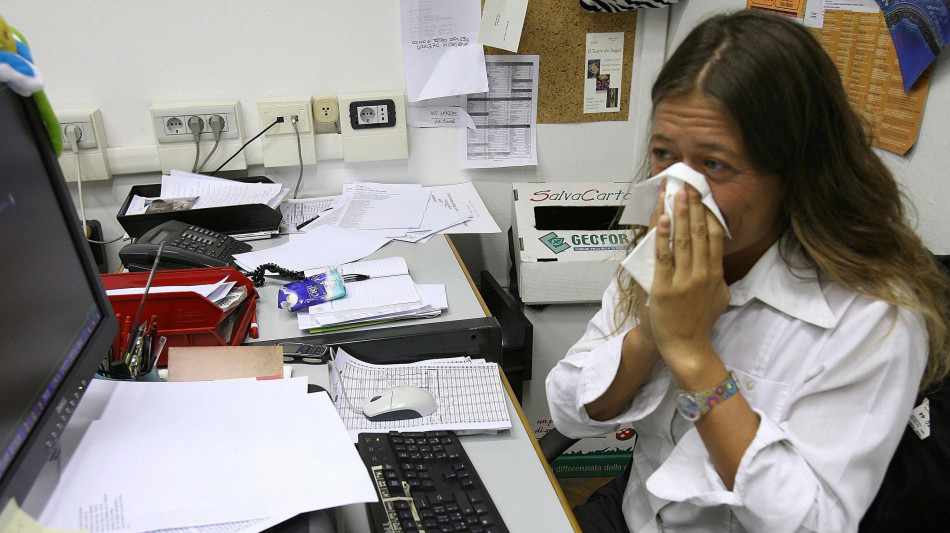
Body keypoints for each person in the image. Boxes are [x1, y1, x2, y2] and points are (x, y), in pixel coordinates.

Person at [545, 10, 950, 533]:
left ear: (797, 171)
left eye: (714, 164)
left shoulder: (875, 315)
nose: (679, 191)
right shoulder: (665, 247)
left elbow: (812, 523)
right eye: (665, 154)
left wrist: (694, 357)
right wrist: (654, 331)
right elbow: (568, 408)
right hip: (638, 513)